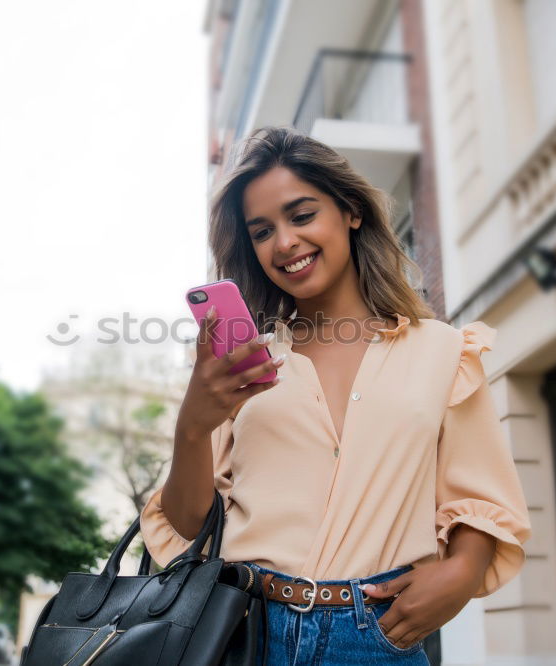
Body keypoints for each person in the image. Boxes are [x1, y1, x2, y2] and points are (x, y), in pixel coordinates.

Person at [139, 126, 531, 664]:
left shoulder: (443, 351)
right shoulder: (244, 363)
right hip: (247, 631)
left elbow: (482, 498)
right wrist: (193, 426)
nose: (284, 243)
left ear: (351, 211)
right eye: (261, 231)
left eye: (301, 216)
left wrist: (460, 573)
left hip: (379, 633)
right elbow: (188, 526)